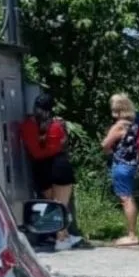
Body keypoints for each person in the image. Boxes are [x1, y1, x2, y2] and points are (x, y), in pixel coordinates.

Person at [20, 93, 82, 250]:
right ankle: (61, 239)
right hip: (59, 165)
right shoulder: (57, 125)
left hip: (40, 168)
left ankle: (65, 236)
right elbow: (63, 143)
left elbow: (28, 146)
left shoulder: (26, 125)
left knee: (52, 205)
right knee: (61, 205)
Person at [101, 94, 139, 246]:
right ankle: (133, 232)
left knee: (125, 199)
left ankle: (132, 235)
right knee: (129, 197)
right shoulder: (133, 124)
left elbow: (105, 145)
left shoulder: (119, 125)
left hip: (121, 164)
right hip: (131, 164)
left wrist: (108, 149)